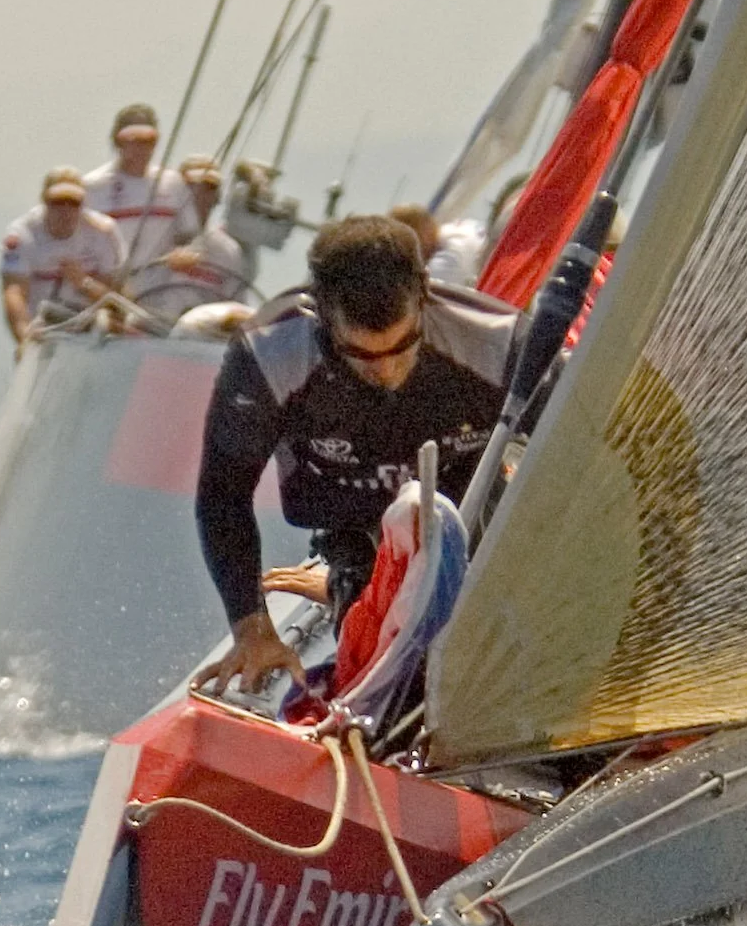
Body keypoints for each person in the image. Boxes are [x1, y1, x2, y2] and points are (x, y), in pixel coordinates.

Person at [194, 214, 516, 694]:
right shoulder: (268, 355)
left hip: (474, 512)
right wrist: (252, 628)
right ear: (320, 312)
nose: (386, 372)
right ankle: (342, 586)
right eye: (362, 355)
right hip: (355, 527)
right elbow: (223, 494)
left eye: (403, 346)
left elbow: (596, 450)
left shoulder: (498, 340)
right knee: (395, 671)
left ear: (424, 295)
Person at [0, 168, 123, 345]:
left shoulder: (103, 231)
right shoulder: (22, 234)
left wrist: (84, 283)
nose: (66, 210)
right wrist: (23, 337)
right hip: (43, 332)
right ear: (44, 201)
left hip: (92, 332)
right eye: (57, 202)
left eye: (73, 203)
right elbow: (14, 291)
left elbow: (116, 299)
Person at [130, 155, 258, 321]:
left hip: (200, 339)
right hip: (145, 332)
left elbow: (237, 306)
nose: (200, 195)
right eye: (191, 187)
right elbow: (126, 290)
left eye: (209, 188)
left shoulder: (227, 250)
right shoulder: (147, 235)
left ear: (217, 198)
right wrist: (167, 264)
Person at [84, 103, 197, 271]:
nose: (141, 148)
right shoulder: (93, 186)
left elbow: (192, 236)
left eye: (148, 141)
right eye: (133, 140)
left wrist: (184, 254)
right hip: (110, 287)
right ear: (117, 141)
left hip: (159, 287)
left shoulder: (173, 183)